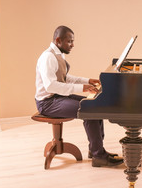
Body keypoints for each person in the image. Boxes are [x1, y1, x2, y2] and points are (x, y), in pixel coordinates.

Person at [35, 25, 123, 167]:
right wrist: (82, 88)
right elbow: (51, 86)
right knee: (89, 110)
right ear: (58, 40)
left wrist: (87, 81)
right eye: (69, 41)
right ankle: (98, 156)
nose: (72, 45)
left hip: (57, 97)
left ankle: (96, 150)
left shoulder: (58, 54)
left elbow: (65, 77)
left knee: (95, 104)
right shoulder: (48, 57)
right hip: (48, 102)